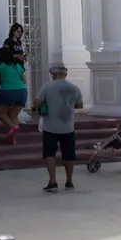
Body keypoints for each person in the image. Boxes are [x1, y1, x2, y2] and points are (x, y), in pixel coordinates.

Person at [29, 61, 83, 191]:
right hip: (68, 127)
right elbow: (79, 106)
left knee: (49, 154)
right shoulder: (74, 88)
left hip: (50, 127)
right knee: (69, 155)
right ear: (65, 73)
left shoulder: (47, 87)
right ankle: (69, 181)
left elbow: (36, 102)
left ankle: (52, 181)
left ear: (54, 74)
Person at [0, 43, 28, 144]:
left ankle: (13, 127)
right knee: (13, 115)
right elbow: (25, 80)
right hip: (22, 92)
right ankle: (13, 139)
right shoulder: (17, 65)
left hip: (8, 91)